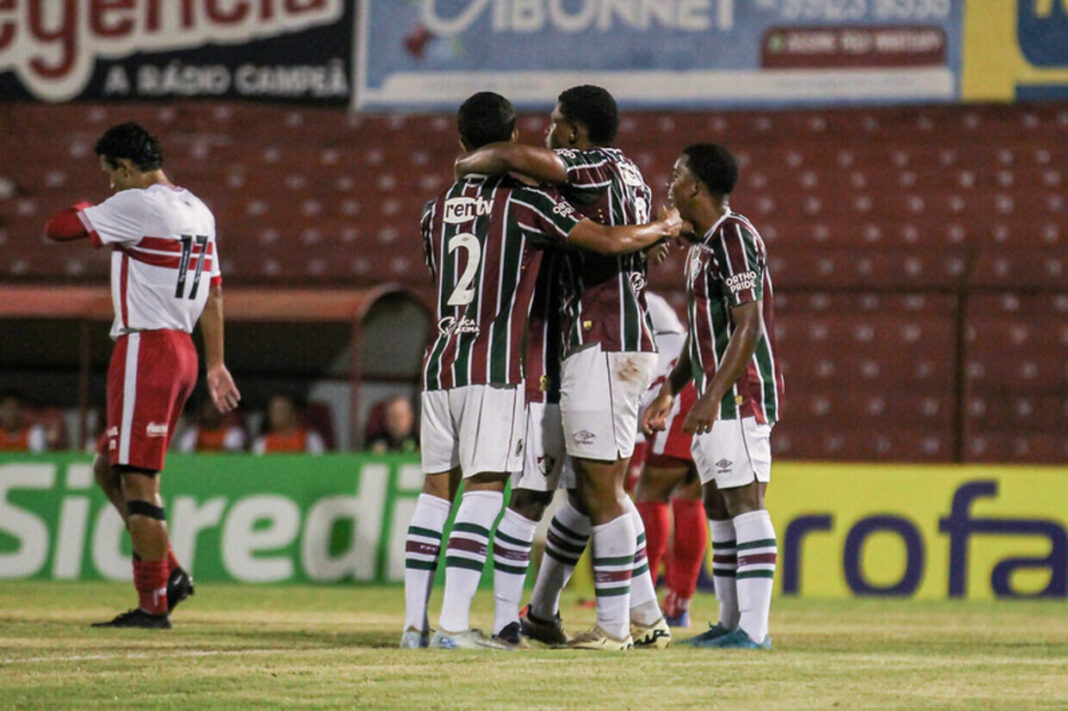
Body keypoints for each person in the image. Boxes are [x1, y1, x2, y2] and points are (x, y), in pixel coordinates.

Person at [401, 91, 680, 650]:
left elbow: (458, 267)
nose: (547, 136)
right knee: (554, 492)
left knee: (459, 491)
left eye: (554, 126)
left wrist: (474, 162)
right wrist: (662, 228)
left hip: (465, 359)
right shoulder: (566, 197)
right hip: (515, 362)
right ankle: (516, 620)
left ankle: (427, 624)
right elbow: (604, 239)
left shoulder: (435, 212)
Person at [44, 121, 241, 629]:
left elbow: (58, 228)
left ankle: (153, 604)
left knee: (137, 478)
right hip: (183, 351)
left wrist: (89, 206)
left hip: (147, 346)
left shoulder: (138, 203)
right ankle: (168, 570)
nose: (110, 184)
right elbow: (214, 292)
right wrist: (215, 362)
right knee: (108, 468)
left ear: (128, 167)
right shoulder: (198, 208)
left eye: (111, 174)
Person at [643, 143, 784, 650]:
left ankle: (756, 630)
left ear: (697, 186)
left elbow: (748, 326)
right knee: (720, 506)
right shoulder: (703, 245)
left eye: (677, 174)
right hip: (711, 394)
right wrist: (673, 392)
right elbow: (702, 336)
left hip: (740, 396)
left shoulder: (735, 238)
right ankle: (730, 622)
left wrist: (713, 396)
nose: (670, 182)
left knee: (746, 502)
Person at [633, 292, 707, 628]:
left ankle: (640, 601)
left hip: (676, 394)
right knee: (691, 496)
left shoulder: (632, 350)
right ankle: (679, 606)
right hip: (708, 380)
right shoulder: (669, 327)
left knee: (650, 493)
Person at [252, 395, 326, 454]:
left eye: (281, 410)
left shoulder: (310, 439)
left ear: (293, 415)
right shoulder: (262, 443)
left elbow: (319, 466)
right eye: (273, 410)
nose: (275, 414)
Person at [176, 397, 247, 453]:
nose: (210, 414)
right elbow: (183, 453)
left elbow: (234, 456)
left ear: (220, 413)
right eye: (208, 410)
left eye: (214, 411)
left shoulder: (232, 433)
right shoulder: (193, 433)